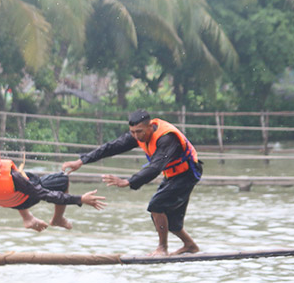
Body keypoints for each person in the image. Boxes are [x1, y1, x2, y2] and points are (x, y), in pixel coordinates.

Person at [62, 109, 203, 256]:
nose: (136, 136)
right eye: (133, 132)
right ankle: (190, 245)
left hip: (187, 174)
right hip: (172, 175)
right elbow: (111, 147)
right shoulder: (138, 135)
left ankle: (162, 248)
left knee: (156, 206)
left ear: (150, 127)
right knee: (170, 221)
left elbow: (155, 168)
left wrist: (128, 182)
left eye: (139, 132)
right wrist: (81, 161)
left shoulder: (166, 139)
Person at [0, 143, 106, 234]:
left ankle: (27, 218)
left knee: (23, 177)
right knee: (62, 179)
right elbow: (45, 195)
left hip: (8, 201)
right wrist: (80, 199)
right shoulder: (14, 178)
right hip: (26, 197)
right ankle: (58, 219)